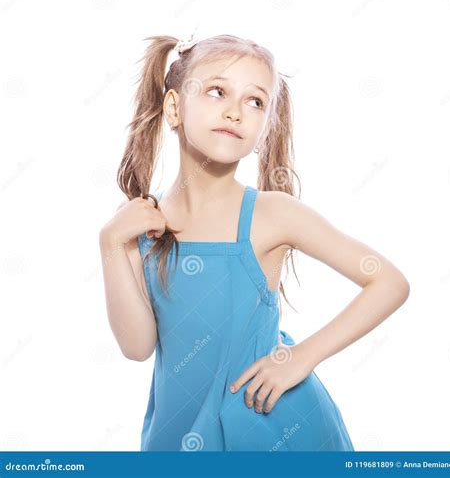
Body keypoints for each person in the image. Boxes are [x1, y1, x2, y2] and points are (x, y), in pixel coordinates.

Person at [99, 33, 410, 451]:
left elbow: (388, 282)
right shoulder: (141, 224)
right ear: (174, 107)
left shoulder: (272, 213)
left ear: (265, 128)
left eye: (255, 101)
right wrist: (111, 245)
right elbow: (137, 347)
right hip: (180, 434)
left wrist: (302, 357)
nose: (235, 111)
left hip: (275, 432)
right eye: (217, 91)